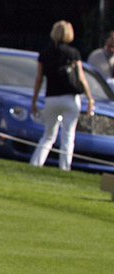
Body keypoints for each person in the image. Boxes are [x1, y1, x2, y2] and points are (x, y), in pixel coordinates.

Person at [30, 20, 94, 170]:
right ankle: (65, 167)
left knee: (48, 135)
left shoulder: (45, 54)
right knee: (68, 135)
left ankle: (36, 163)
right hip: (70, 98)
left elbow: (39, 79)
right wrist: (90, 98)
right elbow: (81, 78)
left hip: (51, 97)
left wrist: (34, 100)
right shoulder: (73, 53)